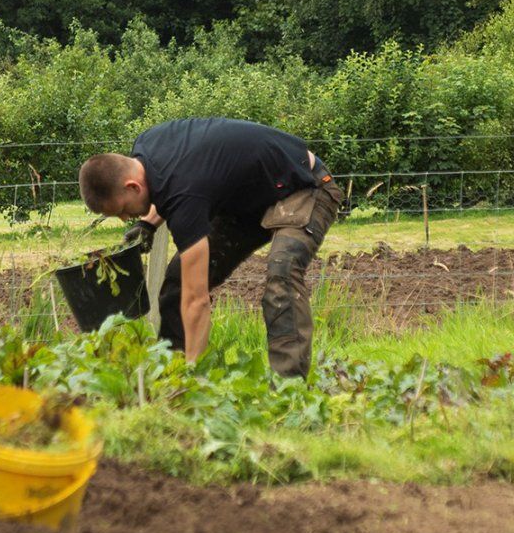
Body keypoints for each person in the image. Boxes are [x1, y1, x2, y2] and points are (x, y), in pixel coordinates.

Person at [79, 118, 343, 377]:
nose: (126, 219)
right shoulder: (145, 146)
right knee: (178, 281)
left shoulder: (185, 199)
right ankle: (171, 373)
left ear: (132, 186)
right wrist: (148, 224)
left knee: (282, 272)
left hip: (304, 185)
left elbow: (197, 300)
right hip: (248, 202)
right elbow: (176, 179)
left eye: (123, 210)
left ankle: (289, 388)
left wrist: (195, 376)